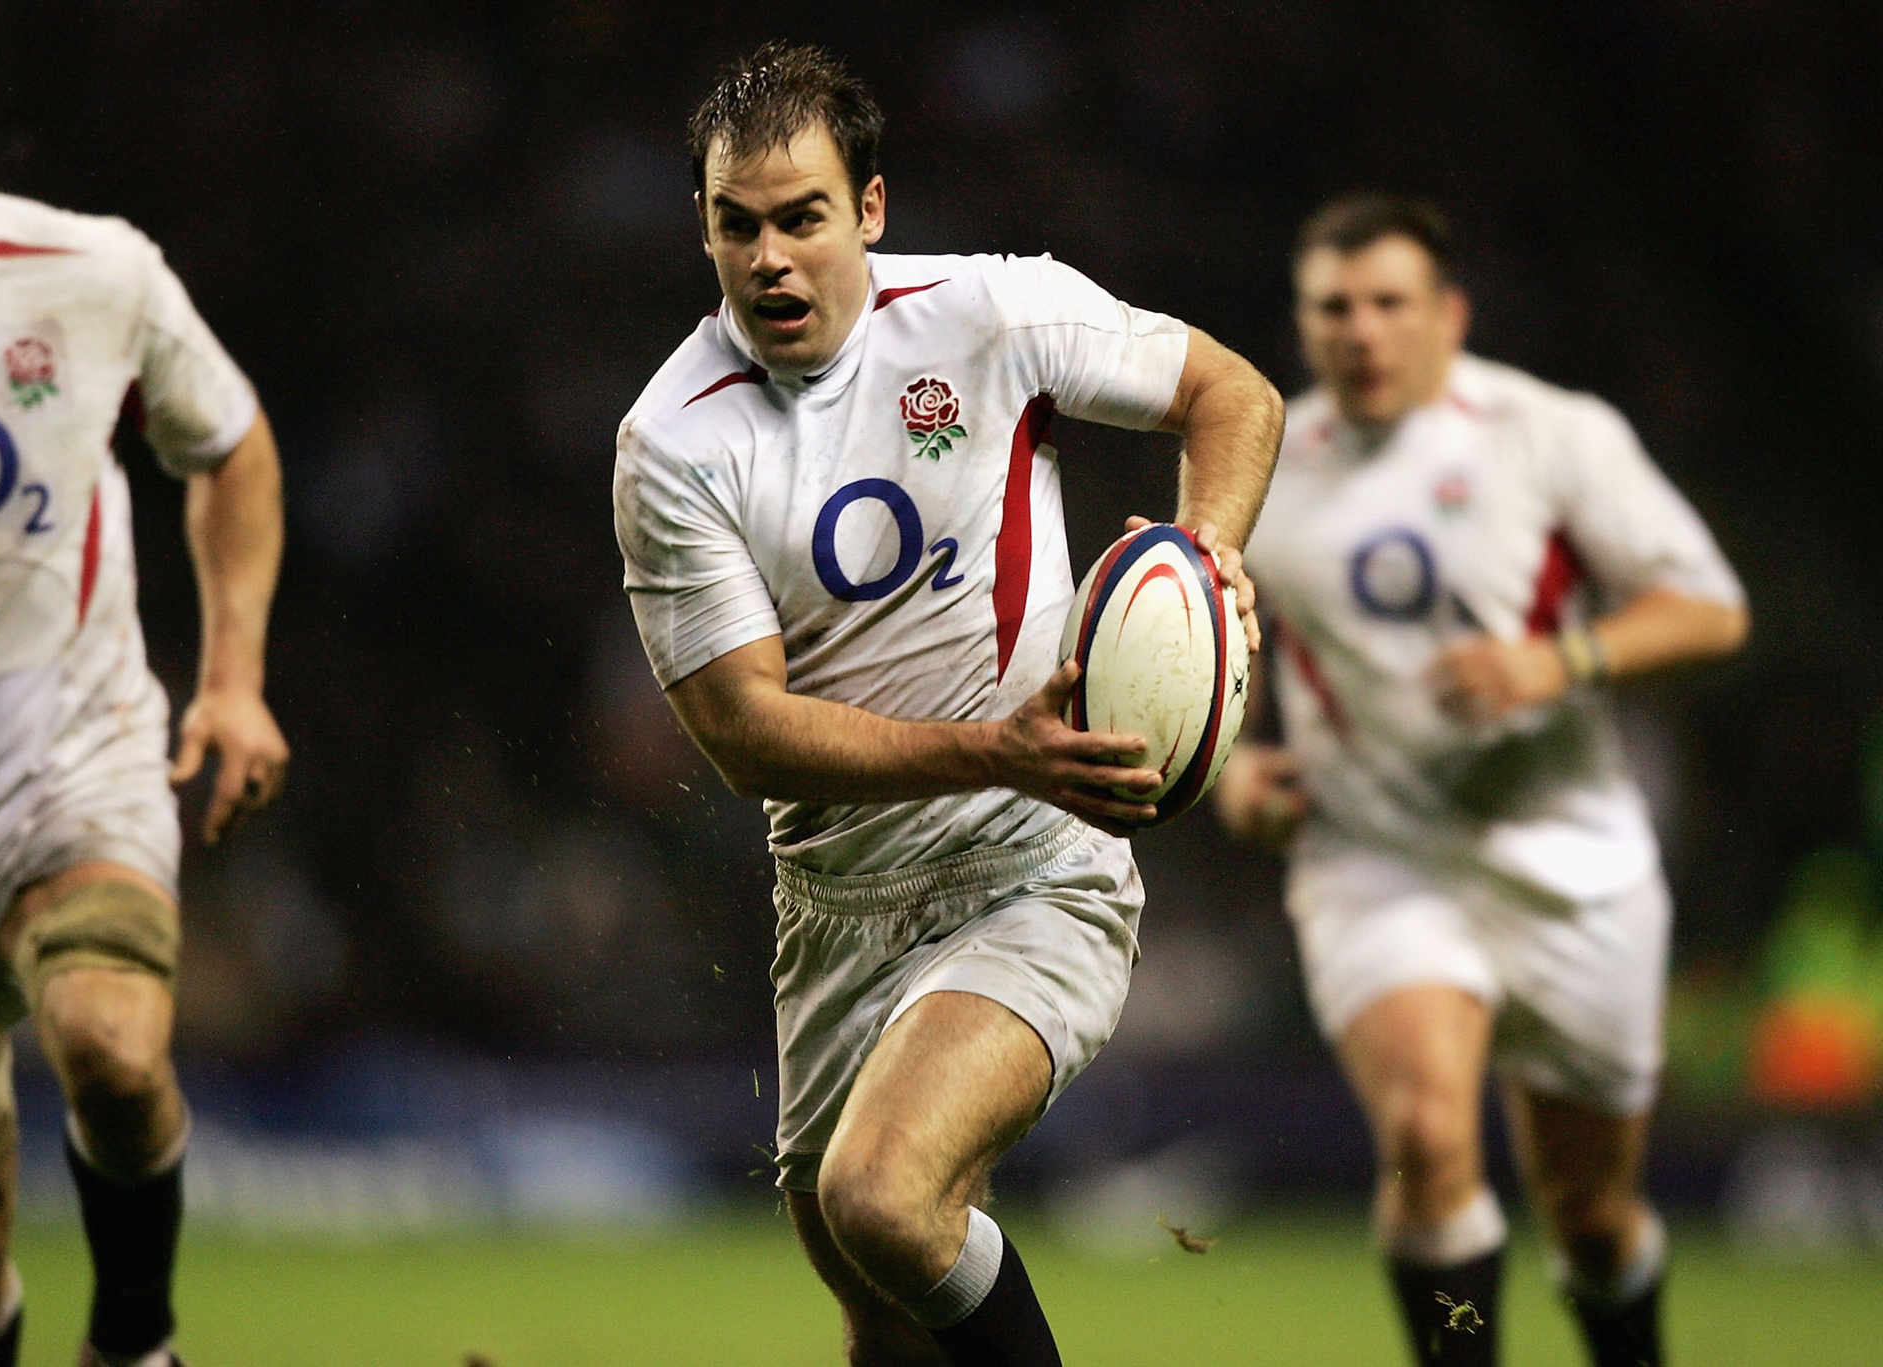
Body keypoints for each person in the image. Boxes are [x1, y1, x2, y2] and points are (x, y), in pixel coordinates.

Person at [614, 42, 1282, 1367]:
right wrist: (998, 745)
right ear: (701, 226)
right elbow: (743, 729)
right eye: (735, 226)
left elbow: (1233, 393)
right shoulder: (673, 441)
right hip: (836, 897)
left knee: (884, 1195)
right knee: (884, 1310)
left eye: (803, 218)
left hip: (1037, 862)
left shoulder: (986, 315)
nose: (770, 260)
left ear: (867, 208)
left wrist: (1211, 548)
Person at [1217, 194, 1748, 1367]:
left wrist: (1556, 658)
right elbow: (1215, 660)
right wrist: (1233, 773)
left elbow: (1710, 607)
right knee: (1425, 1135)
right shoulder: (1260, 461)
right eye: (1331, 308)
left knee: (1590, 1213)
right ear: (1302, 324)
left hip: (1569, 854)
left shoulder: (1550, 434)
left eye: (1386, 304)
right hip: (1375, 857)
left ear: (1447, 314)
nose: (1359, 331)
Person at [0, 6, 288, 1365]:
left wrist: (231, 679)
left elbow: (229, 446)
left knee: (114, 1052)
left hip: (79, 759)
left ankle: (135, 1343)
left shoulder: (91, 272)